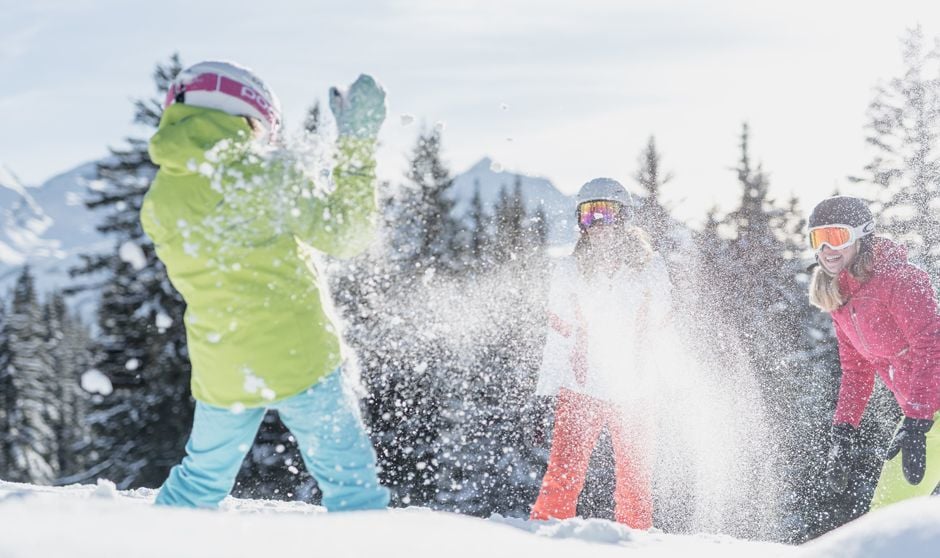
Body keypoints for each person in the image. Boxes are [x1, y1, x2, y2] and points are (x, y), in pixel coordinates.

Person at [140, 60, 390, 510]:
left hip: (222, 365)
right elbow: (349, 235)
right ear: (247, 116)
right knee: (351, 484)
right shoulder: (269, 174)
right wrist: (357, 142)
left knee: (199, 482)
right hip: (301, 358)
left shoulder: (158, 199)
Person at [529, 178, 672, 529]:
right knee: (564, 472)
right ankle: (547, 534)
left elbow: (664, 330)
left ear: (624, 218)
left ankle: (636, 543)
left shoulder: (649, 269)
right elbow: (558, 335)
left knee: (636, 479)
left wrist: (673, 381)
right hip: (581, 387)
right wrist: (545, 390)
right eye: (589, 215)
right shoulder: (568, 271)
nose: (599, 225)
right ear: (580, 222)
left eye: (606, 213)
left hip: (636, 389)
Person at [808, 195, 940, 510]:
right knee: (888, 512)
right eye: (818, 238)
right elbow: (856, 371)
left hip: (924, 411)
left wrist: (918, 418)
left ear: (861, 236)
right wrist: (844, 429)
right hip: (924, 412)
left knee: (894, 512)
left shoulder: (900, 280)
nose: (827, 248)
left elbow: (933, 344)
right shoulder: (840, 298)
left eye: (836, 236)